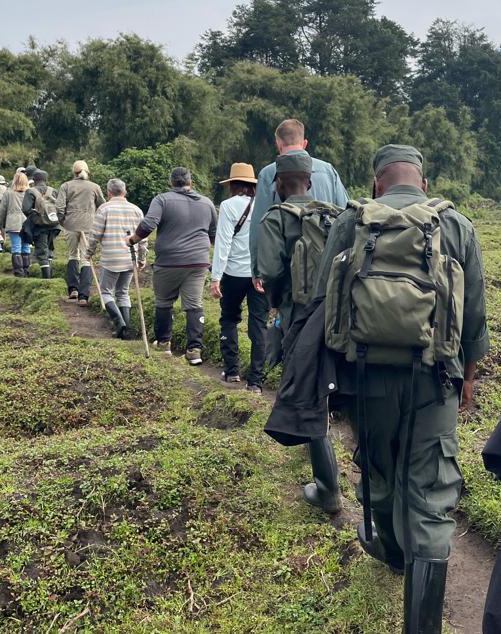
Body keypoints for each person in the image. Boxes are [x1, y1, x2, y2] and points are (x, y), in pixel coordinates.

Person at [313, 144, 489, 632]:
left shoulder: (352, 220)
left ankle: (391, 552)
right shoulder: (456, 224)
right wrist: (468, 378)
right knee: (431, 492)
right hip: (435, 378)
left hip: (364, 375)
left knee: (379, 470)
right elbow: (473, 317)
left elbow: (324, 301)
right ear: (424, 184)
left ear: (376, 183)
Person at [258, 152, 345, 512]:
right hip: (339, 316)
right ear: (309, 182)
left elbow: (270, 273)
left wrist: (280, 308)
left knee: (308, 397)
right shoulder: (338, 218)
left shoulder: (276, 218)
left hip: (300, 318)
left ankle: (328, 488)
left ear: (278, 184)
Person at [128, 167, 217, 365]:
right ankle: (194, 350)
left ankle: (164, 343)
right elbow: (214, 234)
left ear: (171, 182)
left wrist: (133, 239)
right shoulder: (207, 202)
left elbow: (149, 223)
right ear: (190, 182)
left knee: (163, 301)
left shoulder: (162, 199)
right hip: (198, 261)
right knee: (194, 305)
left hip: (169, 261)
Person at [248, 119, 349, 288]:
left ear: (278, 144)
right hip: (326, 266)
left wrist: (257, 269)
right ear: (304, 143)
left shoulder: (269, 173)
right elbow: (346, 213)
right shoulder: (328, 171)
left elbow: (260, 223)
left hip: (288, 271)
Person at [210, 163, 268, 389]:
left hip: (233, 273)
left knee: (229, 319)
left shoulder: (227, 205)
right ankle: (255, 381)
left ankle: (232, 370)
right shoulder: (265, 205)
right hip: (259, 274)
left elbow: (223, 242)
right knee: (259, 325)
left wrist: (216, 277)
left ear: (233, 185)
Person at [87, 178, 147, 338]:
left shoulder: (104, 209)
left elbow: (95, 234)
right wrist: (142, 258)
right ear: (124, 191)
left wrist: (89, 252)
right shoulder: (136, 210)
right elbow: (144, 237)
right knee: (123, 292)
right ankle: (126, 331)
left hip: (110, 258)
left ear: (108, 193)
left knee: (106, 292)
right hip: (129, 258)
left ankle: (119, 322)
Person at [57, 160, 105, 305]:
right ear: (87, 172)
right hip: (89, 225)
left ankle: (73, 289)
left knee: (72, 255)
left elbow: (59, 207)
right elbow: (102, 205)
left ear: (74, 172)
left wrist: (63, 221)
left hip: (71, 224)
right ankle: (84, 296)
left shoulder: (66, 186)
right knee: (86, 259)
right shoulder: (94, 187)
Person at [22, 170, 60, 278]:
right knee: (49, 249)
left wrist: (35, 218)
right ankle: (50, 275)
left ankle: (46, 280)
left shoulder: (31, 191)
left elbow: (25, 209)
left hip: (40, 227)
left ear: (34, 180)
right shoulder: (53, 191)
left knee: (41, 252)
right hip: (54, 225)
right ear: (46, 180)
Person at [0, 172, 31, 277]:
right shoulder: (30, 192)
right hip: (27, 223)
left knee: (16, 247)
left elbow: (2, 210)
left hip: (13, 223)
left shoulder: (8, 193)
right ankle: (26, 270)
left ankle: (18, 271)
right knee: (26, 247)